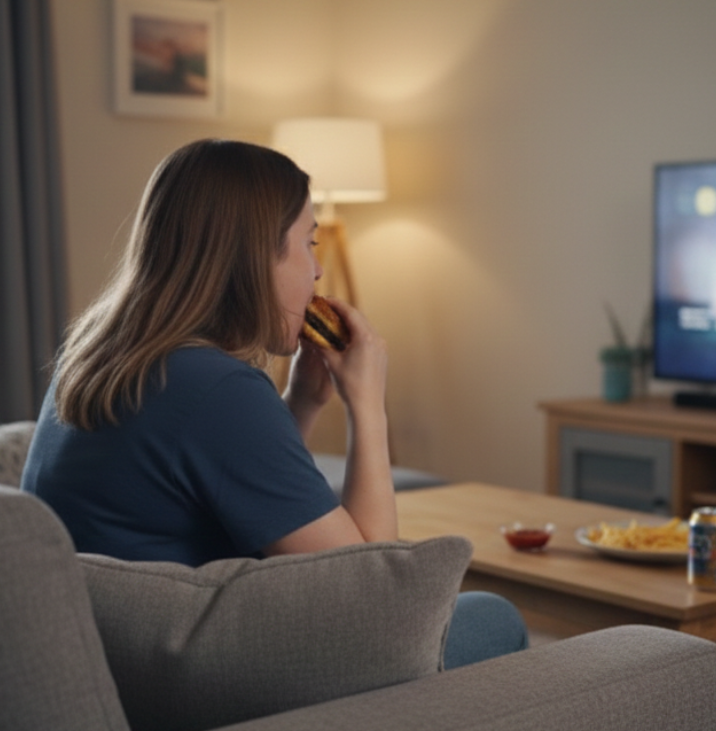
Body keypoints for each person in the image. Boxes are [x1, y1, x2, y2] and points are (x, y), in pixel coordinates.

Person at [22, 138, 527, 668]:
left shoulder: (96, 356)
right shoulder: (218, 389)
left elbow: (218, 484)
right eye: (308, 244)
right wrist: (367, 408)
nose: (317, 272)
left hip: (118, 661)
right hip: (196, 682)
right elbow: (376, 599)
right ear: (254, 253)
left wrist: (302, 403)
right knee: (493, 615)